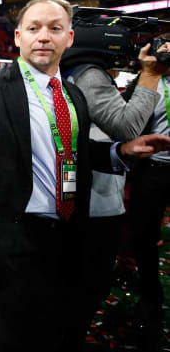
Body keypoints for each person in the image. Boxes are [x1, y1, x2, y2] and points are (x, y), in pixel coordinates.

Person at [0, 0, 170, 352]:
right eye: (33, 28)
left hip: (66, 233)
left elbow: (73, 151)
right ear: (18, 37)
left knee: (50, 329)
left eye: (54, 28)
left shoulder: (73, 95)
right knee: (11, 337)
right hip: (10, 236)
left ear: (70, 38)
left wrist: (120, 151)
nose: (44, 36)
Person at [60, 38, 170, 349]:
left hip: (89, 192)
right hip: (95, 200)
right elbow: (127, 125)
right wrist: (150, 76)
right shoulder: (90, 74)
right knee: (86, 285)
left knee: (79, 286)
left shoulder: (75, 72)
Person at [124, 57, 170, 351]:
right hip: (153, 168)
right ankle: (151, 299)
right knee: (144, 236)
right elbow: (129, 123)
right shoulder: (146, 82)